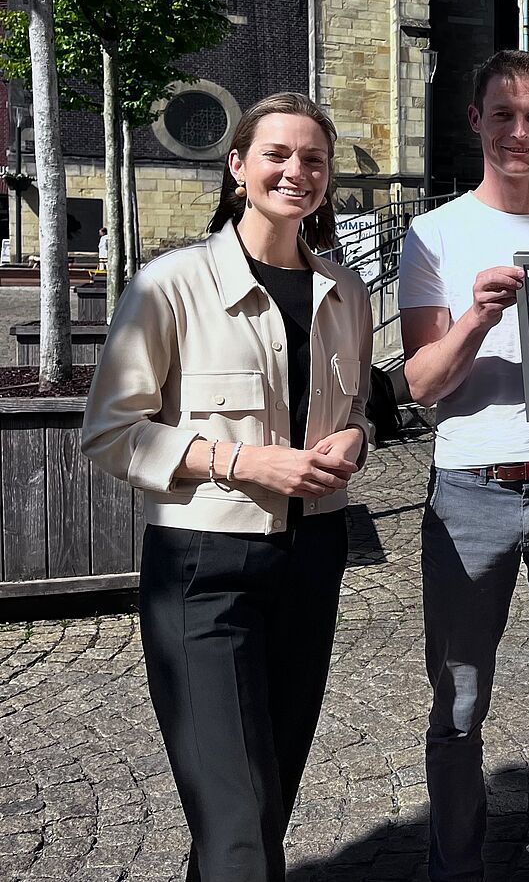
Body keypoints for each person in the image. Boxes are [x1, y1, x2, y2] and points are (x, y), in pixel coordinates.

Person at [81, 92, 373, 882]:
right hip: (203, 570)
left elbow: (359, 416)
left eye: (314, 159)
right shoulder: (169, 285)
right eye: (277, 154)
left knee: (261, 801)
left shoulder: (345, 293)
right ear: (238, 167)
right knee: (237, 820)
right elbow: (109, 433)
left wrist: (356, 438)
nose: (297, 172)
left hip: (313, 558)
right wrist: (242, 462)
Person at [398, 50, 529, 882]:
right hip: (469, 494)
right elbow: (422, 384)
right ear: (476, 122)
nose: (520, 131)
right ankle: (456, 868)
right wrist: (476, 320)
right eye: (504, 115)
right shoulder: (436, 234)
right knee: (457, 707)